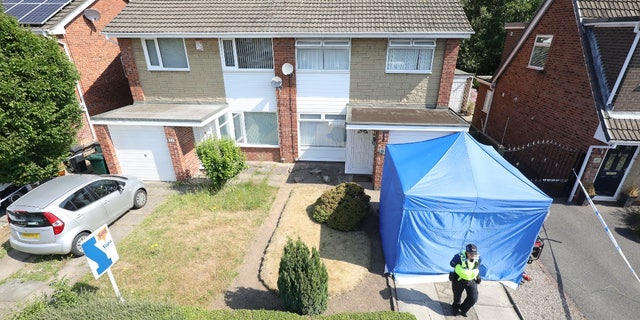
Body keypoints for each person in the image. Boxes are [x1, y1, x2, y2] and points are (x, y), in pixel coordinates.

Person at [450, 243, 482, 317]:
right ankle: (455, 307)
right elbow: (452, 264)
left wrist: (478, 277)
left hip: (471, 280)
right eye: (471, 253)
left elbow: (475, 268)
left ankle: (463, 309)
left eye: (474, 253)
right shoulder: (458, 257)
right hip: (459, 279)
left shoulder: (479, 258)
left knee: (473, 298)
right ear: (467, 252)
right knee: (457, 296)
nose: (473, 255)